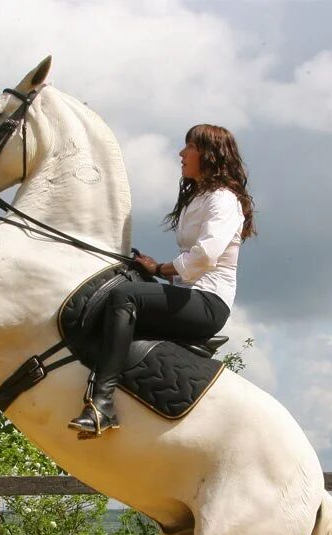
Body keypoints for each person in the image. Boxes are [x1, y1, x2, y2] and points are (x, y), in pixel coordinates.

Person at [68, 123, 256, 437]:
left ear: (208, 154)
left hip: (208, 304)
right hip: (188, 294)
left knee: (124, 297)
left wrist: (158, 271)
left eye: (189, 147)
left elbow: (205, 256)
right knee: (123, 281)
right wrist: (148, 269)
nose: (181, 154)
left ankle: (102, 404)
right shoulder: (199, 198)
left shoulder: (223, 199)